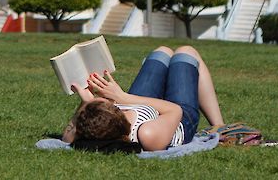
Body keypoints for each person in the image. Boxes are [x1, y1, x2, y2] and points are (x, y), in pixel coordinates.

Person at [62, 45, 224, 151]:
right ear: (117, 110)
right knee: (186, 53)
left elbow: (67, 136)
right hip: (178, 119)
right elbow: (174, 110)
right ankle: (220, 125)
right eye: (110, 103)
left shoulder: (96, 128)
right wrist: (123, 97)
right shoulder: (146, 134)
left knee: (162, 52)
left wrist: (85, 103)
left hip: (138, 106)